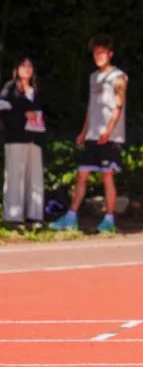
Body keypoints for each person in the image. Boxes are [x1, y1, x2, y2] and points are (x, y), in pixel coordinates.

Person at [50, 35, 128, 233]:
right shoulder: (94, 77)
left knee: (107, 177)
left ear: (110, 54)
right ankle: (70, 218)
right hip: (92, 136)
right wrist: (84, 132)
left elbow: (119, 106)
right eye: (95, 53)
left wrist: (108, 130)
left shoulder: (118, 77)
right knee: (81, 175)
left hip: (109, 137)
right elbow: (91, 108)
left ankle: (109, 220)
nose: (98, 56)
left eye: (102, 52)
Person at [1, 57, 46, 226]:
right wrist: (23, 114)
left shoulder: (36, 89)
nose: (27, 68)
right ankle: (12, 216)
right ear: (17, 69)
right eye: (23, 65)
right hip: (15, 138)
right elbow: (3, 108)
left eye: (30, 65)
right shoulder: (10, 87)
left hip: (35, 139)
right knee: (15, 176)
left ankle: (34, 215)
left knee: (35, 177)